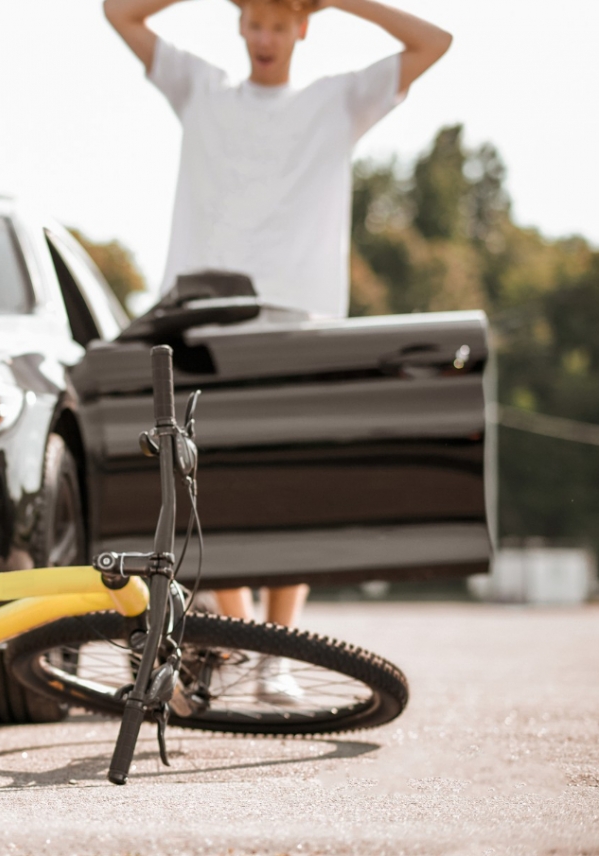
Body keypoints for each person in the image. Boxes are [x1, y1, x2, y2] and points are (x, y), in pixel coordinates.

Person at [104, 0, 451, 692]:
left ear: (301, 29)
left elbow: (434, 41)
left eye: (278, 23)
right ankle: (241, 639)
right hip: (206, 318)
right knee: (209, 488)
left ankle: (278, 654)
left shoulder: (336, 101)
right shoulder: (201, 89)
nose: (264, 38)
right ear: (239, 26)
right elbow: (120, 12)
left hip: (298, 318)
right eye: (254, 22)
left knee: (291, 484)